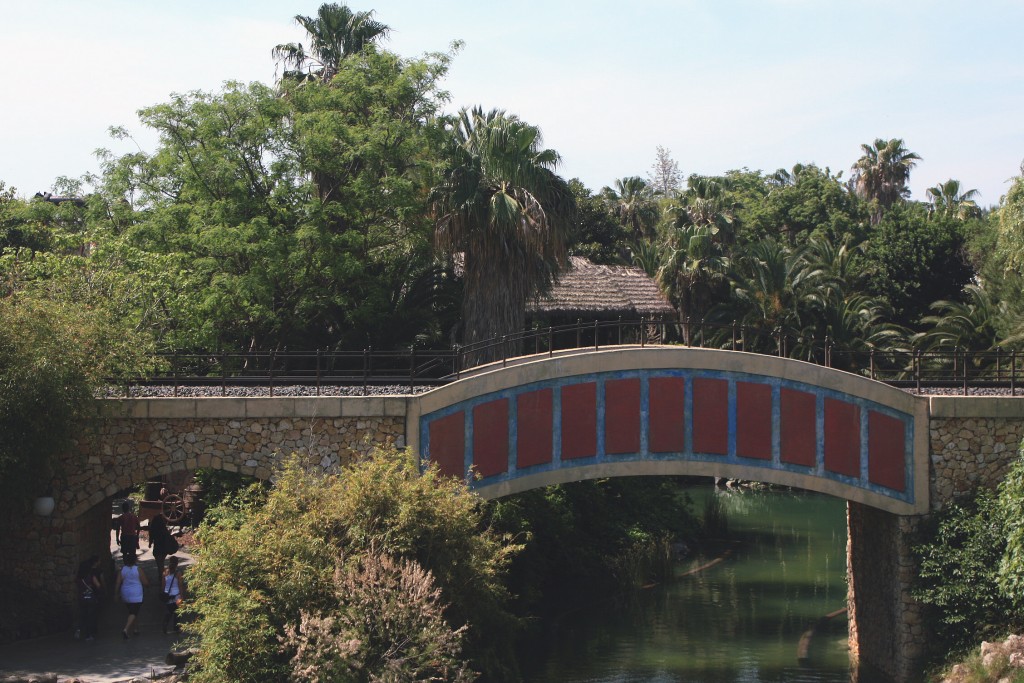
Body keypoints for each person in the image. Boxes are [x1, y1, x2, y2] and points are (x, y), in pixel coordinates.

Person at [115, 552, 149, 639]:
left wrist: (116, 593)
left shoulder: (122, 570)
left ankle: (136, 629)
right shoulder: (138, 569)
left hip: (125, 593)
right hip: (136, 594)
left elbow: (118, 583)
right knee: (134, 612)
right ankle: (126, 629)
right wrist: (148, 585)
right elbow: (145, 582)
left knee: (132, 611)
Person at [75, 556, 102, 641]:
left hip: (81, 598)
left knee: (83, 615)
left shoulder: (78, 578)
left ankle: (80, 630)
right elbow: (98, 585)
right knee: (91, 616)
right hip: (91, 598)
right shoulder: (91, 576)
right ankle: (89, 634)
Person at [161, 555, 185, 634]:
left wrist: (163, 593)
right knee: (177, 612)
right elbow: (180, 585)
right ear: (177, 563)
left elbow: (163, 585)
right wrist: (182, 595)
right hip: (176, 595)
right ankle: (176, 627)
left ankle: (165, 624)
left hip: (168, 595)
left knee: (169, 611)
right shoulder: (178, 573)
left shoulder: (165, 572)